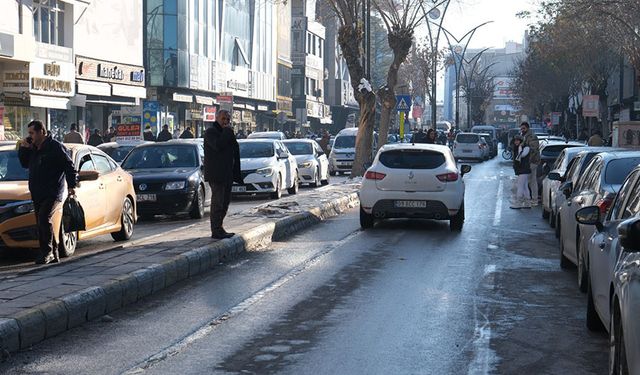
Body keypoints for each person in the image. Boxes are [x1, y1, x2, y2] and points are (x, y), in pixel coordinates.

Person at [18, 120, 77, 264]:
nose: (30, 136)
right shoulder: (33, 148)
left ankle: (47, 252)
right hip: (37, 192)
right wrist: (23, 148)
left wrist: (71, 185)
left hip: (53, 191)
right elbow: (24, 163)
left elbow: (69, 165)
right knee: (41, 222)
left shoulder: (55, 147)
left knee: (44, 218)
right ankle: (54, 252)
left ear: (42, 132)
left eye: (32, 133)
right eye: (29, 133)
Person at [204, 110, 243, 239]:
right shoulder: (211, 132)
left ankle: (220, 227)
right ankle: (216, 230)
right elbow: (218, 145)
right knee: (218, 203)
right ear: (217, 118)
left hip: (227, 173)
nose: (226, 122)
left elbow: (234, 149)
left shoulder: (228, 133)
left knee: (225, 203)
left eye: (227, 119)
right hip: (217, 174)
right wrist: (227, 132)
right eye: (223, 119)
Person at [520, 122, 540, 206]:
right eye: (521, 128)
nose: (522, 130)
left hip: (531, 162)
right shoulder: (525, 136)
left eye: (523, 128)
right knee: (531, 181)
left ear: (527, 128)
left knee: (526, 180)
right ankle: (532, 199)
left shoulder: (531, 136)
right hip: (529, 162)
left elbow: (533, 149)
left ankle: (529, 199)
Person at [510, 135, 531, 209]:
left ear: (521, 141)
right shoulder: (517, 148)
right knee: (525, 186)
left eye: (518, 140)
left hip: (523, 169)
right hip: (521, 169)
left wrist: (520, 147)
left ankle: (519, 202)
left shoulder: (526, 148)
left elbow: (521, 155)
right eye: (515, 140)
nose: (516, 142)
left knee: (520, 186)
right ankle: (527, 202)